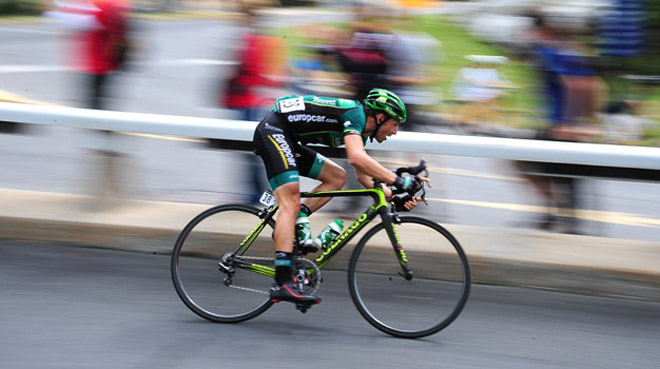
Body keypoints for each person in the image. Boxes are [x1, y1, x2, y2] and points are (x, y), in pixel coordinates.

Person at [252, 88, 424, 304]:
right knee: (290, 202)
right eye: (395, 124)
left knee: (337, 177)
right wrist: (400, 181)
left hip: (286, 137)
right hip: (273, 131)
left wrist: (393, 197)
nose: (395, 131)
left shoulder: (360, 128)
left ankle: (296, 222)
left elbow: (364, 177)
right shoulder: (356, 115)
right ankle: (281, 282)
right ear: (381, 118)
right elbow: (356, 158)